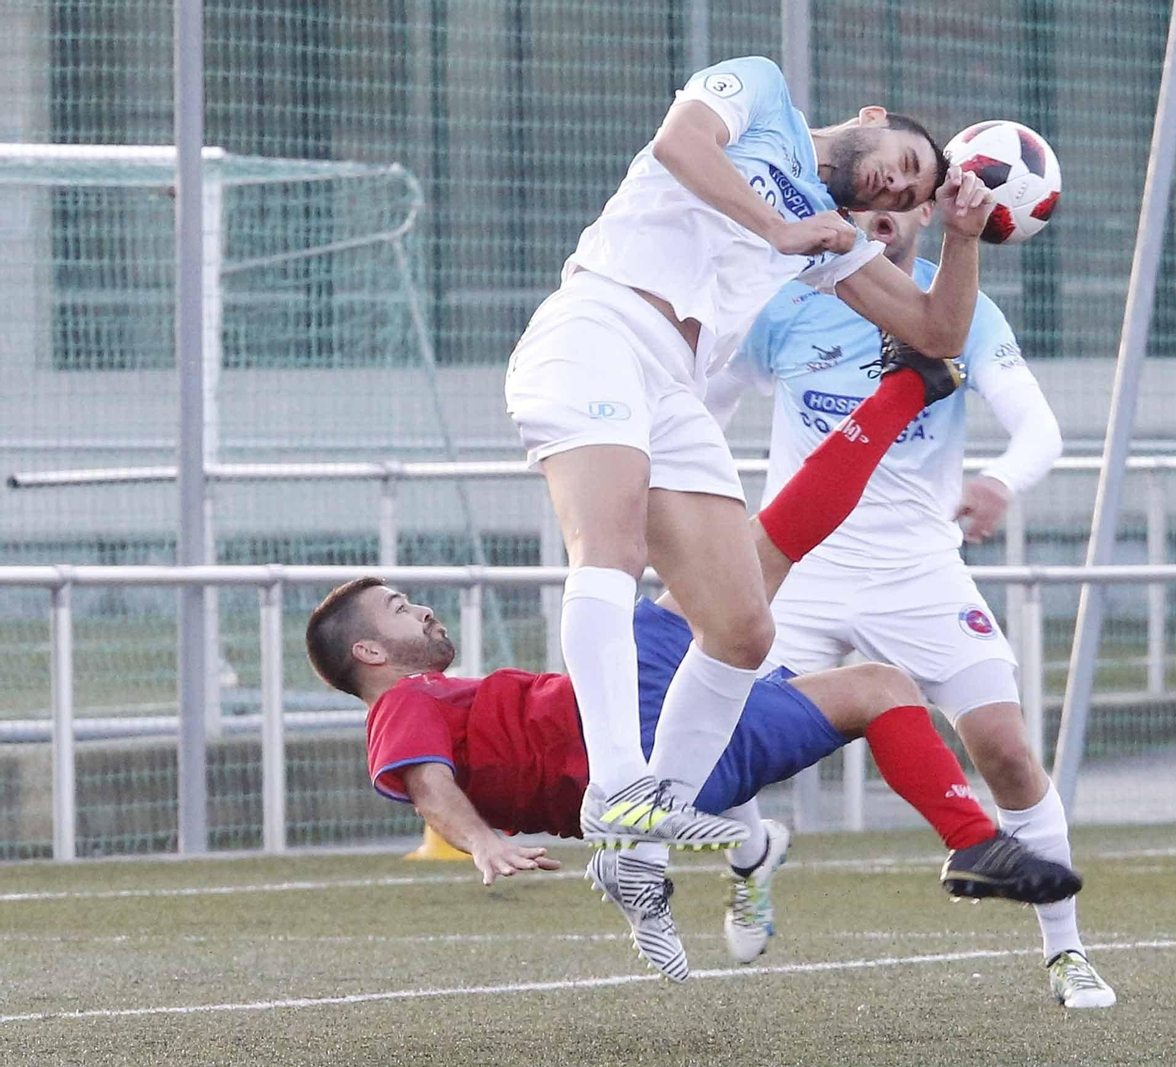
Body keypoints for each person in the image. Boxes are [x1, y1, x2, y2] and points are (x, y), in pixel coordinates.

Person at [304, 375, 1080, 983]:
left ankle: (973, 842)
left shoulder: (436, 697)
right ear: (371, 654)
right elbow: (428, 784)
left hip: (692, 775)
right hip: (627, 718)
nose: (424, 613)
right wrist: (478, 843)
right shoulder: (403, 703)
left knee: (880, 686)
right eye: (401, 610)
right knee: (766, 542)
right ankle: (908, 385)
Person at [502, 51, 995, 893]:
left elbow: (936, 331)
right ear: (874, 116)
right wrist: (778, 231)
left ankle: (642, 839)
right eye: (904, 166)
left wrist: (960, 235)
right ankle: (618, 785)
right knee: (610, 551)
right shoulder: (761, 90)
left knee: (741, 628)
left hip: (673, 379)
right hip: (599, 322)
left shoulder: (824, 223)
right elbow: (678, 147)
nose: (892, 189)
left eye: (906, 199)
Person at [708, 201, 1116, 1009]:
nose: (880, 214)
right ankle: (752, 854)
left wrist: (1001, 479)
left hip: (919, 570)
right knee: (717, 741)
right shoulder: (787, 301)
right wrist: (700, 508)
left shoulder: (959, 307)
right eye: (863, 197)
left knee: (1003, 745)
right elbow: (704, 401)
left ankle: (1067, 952)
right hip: (802, 567)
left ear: (930, 209)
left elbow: (1040, 429)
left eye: (901, 196)